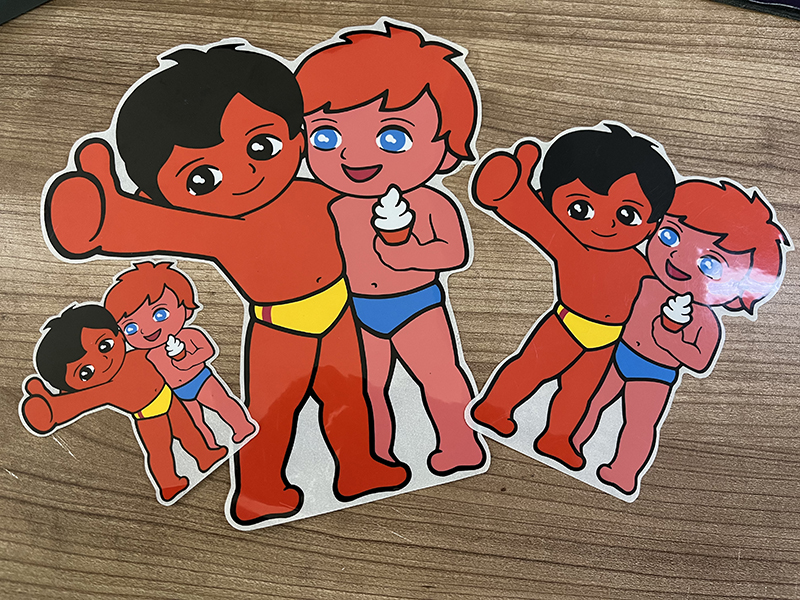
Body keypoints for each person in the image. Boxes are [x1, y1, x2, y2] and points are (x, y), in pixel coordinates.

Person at [43, 43, 409, 526]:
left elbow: (367, 203)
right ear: (159, 194)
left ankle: (359, 465)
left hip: (341, 313)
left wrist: (396, 226)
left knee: (349, 393)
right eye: (201, 178)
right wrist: (99, 219)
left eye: (261, 147)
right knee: (272, 413)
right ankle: (259, 489)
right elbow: (146, 227)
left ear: (298, 137)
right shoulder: (218, 228)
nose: (246, 174)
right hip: (280, 329)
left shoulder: (312, 192)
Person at [296, 22, 486, 474]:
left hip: (417, 304)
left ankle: (459, 443)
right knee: (365, 387)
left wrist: (406, 252)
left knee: (440, 378)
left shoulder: (431, 201)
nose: (354, 157)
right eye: (326, 137)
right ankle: (375, 455)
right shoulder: (330, 205)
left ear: (446, 151)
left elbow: (453, 253)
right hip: (352, 308)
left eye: (392, 137)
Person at [470, 124, 676, 470]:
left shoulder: (642, 265)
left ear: (652, 224)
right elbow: (529, 216)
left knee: (580, 391)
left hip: (608, 340)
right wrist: (506, 192)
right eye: (580, 208)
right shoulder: (570, 245)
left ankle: (558, 438)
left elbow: (662, 290)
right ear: (550, 200)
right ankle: (494, 408)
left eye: (627, 215)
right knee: (531, 369)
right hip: (566, 326)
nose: (605, 225)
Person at [571, 179, 790, 494]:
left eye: (710, 265)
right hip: (620, 353)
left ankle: (624, 471)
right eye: (670, 235)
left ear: (737, 292)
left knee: (638, 424)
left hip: (655, 373)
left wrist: (669, 337)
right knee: (593, 402)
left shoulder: (705, 320)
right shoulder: (647, 283)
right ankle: (572, 441)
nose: (678, 259)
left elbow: (700, 361)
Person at [20, 304, 227, 502]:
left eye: (104, 346)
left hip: (168, 397)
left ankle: (205, 455)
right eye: (86, 372)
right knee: (160, 450)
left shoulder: (136, 354)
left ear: (118, 333)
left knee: (188, 429)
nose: (103, 362)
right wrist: (51, 412)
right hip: (149, 416)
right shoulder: (105, 389)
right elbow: (80, 402)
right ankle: (169, 483)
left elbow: (159, 351)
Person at [104, 261, 256, 447]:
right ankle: (210, 445)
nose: (147, 329)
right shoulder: (149, 355)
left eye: (160, 314)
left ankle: (242, 427)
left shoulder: (189, 335)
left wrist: (185, 358)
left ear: (186, 308)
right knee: (195, 422)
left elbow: (207, 351)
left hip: (202, 380)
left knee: (222, 404)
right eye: (131, 327)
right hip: (177, 391)